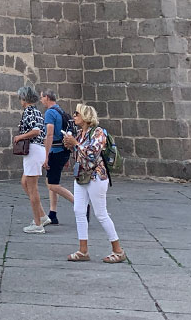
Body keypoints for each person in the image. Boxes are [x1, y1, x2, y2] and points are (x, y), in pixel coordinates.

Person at [62, 104, 126, 264]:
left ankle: (118, 250)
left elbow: (91, 153)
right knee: (78, 210)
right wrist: (69, 145)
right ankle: (83, 250)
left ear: (85, 116)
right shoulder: (79, 133)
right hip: (81, 175)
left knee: (101, 213)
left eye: (76, 113)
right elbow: (78, 153)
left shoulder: (99, 132)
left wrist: (75, 144)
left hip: (96, 176)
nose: (74, 116)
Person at [15, 86, 48, 234]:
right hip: (38, 149)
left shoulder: (28, 111)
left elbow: (36, 131)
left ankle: (37, 223)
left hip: (33, 149)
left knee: (32, 188)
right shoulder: (38, 112)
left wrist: (19, 137)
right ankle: (42, 215)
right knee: (24, 182)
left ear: (24, 98)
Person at [41, 89, 75, 225]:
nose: (41, 100)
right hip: (63, 151)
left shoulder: (50, 113)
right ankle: (52, 213)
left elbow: (49, 135)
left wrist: (46, 156)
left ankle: (80, 205)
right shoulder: (61, 111)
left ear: (47, 98)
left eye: (42, 97)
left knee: (52, 185)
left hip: (55, 151)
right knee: (50, 181)